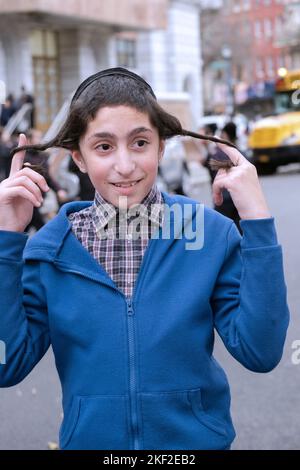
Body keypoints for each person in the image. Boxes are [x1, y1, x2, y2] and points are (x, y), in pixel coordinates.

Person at [0, 67, 289, 450]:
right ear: (79, 158)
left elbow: (262, 350)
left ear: (160, 147)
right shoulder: (50, 251)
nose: (124, 165)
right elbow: (7, 364)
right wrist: (6, 241)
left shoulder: (208, 234)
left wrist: (257, 221)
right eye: (103, 147)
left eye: (139, 143)